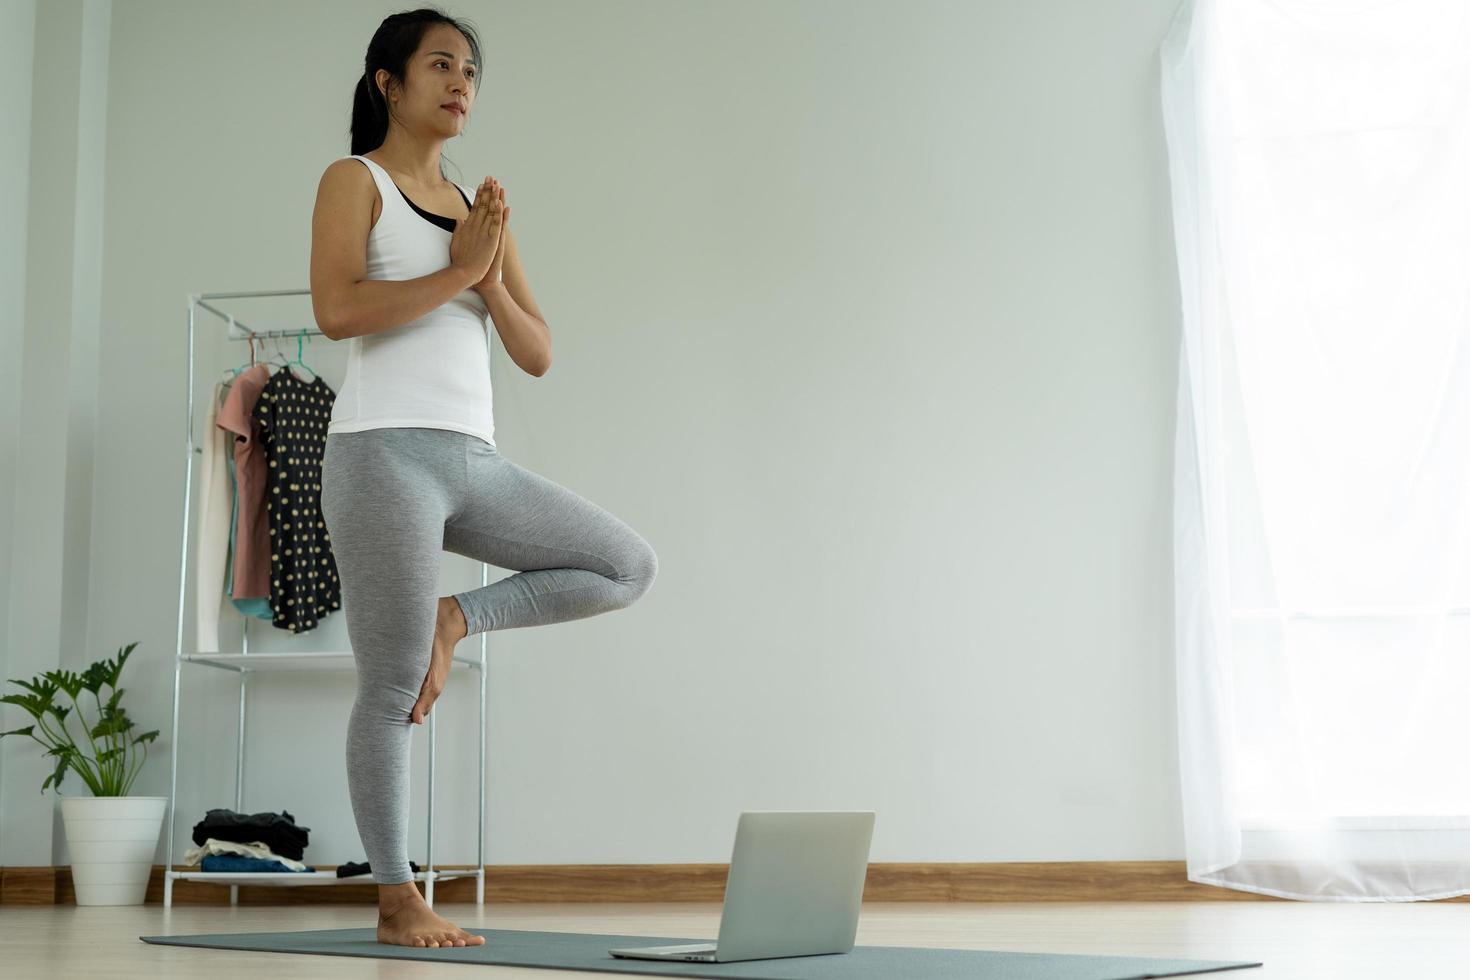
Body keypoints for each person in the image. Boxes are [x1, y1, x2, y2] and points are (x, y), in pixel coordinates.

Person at [309, 8, 658, 949]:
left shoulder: (476, 211)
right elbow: (338, 310)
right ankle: (396, 897)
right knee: (390, 691)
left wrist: (487, 273)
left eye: (471, 70)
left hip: (474, 458)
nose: (462, 82)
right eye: (440, 65)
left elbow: (537, 351)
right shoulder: (357, 180)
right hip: (383, 455)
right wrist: (456, 272)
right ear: (388, 81)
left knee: (625, 564)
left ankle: (455, 617)